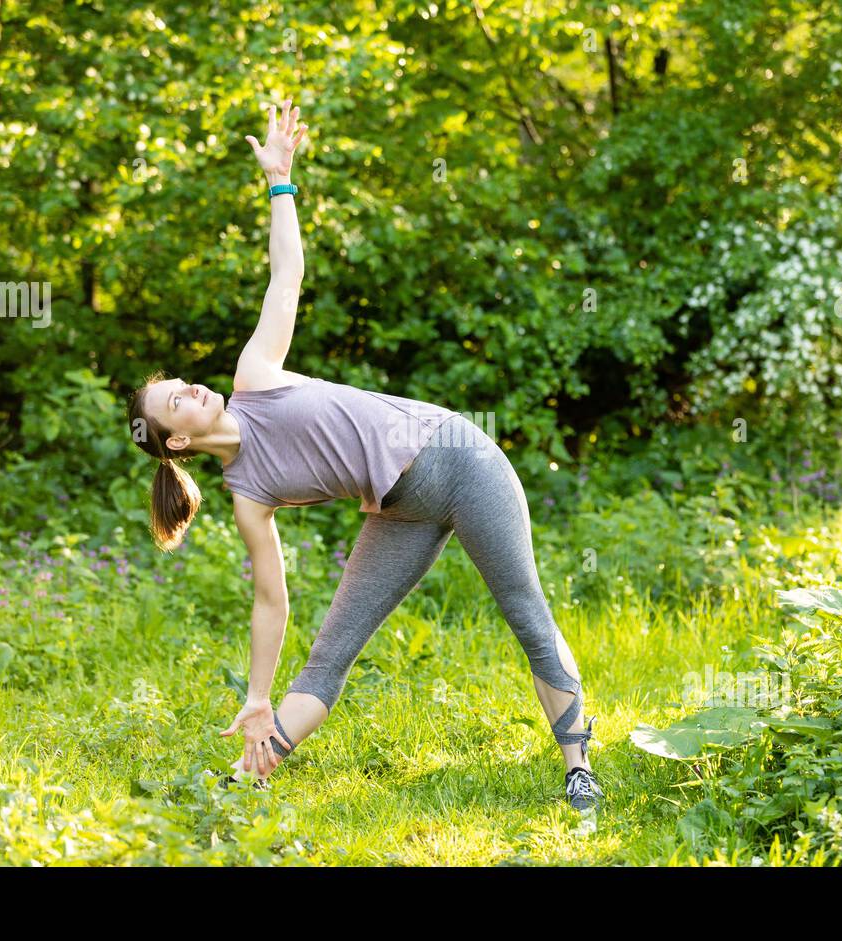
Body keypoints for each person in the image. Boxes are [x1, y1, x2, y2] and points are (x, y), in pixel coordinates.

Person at [125, 97, 601, 811]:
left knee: (525, 611)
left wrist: (280, 183)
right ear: (181, 442)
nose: (191, 389)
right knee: (328, 657)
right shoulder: (248, 495)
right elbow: (269, 601)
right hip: (400, 510)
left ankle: (578, 767)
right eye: (175, 404)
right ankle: (240, 786)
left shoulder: (253, 378)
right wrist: (257, 696)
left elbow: (285, 277)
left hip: (462, 462)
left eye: (182, 386)